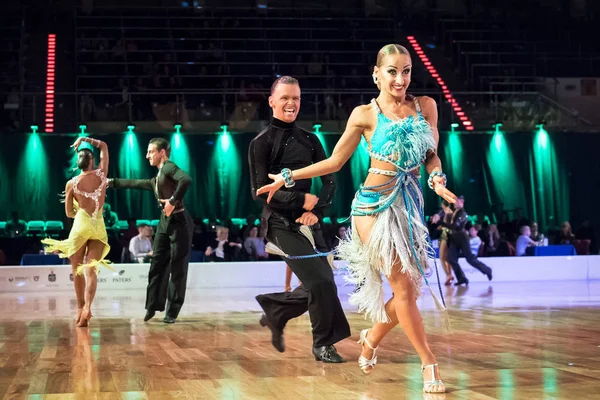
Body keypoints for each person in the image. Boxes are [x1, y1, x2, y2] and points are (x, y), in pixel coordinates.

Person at [256, 45, 456, 393]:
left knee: (408, 292)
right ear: (376, 74)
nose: (400, 78)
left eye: (406, 71)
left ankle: (370, 338)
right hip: (371, 208)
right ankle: (429, 363)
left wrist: (437, 179)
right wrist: (288, 177)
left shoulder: (426, 106)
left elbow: (431, 155)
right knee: (405, 290)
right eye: (392, 71)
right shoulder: (364, 114)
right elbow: (334, 162)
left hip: (408, 205)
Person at [249, 75, 351, 363]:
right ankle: (322, 345)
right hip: (279, 224)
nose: (291, 103)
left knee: (321, 282)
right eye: (284, 98)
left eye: (295, 98)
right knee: (320, 282)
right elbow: (258, 190)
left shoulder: (310, 139)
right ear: (272, 102)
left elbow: (330, 182)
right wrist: (299, 200)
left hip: (309, 222)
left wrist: (315, 212)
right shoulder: (261, 143)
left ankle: (275, 311)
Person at [109, 138, 193, 324]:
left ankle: (172, 311)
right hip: (165, 222)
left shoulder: (169, 167)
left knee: (177, 269)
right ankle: (152, 306)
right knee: (157, 265)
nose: (147, 155)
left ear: (162, 152)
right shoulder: (157, 178)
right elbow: (137, 183)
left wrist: (172, 201)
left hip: (180, 221)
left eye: (150, 151)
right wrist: (112, 182)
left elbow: (186, 180)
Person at [41, 137, 111, 327]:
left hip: (81, 225)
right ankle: (88, 307)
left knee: (77, 270)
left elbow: (69, 213)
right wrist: (85, 139)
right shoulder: (102, 175)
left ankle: (80, 309)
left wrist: (79, 208)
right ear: (92, 162)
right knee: (91, 270)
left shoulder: (71, 183)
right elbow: (104, 146)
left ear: (79, 163)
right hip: (98, 224)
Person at [443, 196, 493, 286]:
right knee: (451, 258)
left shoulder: (462, 213)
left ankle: (487, 270)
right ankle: (462, 278)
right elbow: (449, 224)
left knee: (470, 259)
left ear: (461, 202)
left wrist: (440, 223)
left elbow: (455, 226)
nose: (454, 203)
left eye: (456, 201)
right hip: (454, 237)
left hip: (462, 237)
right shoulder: (454, 212)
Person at [430, 200, 454, 285]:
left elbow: (447, 225)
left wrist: (441, 225)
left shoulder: (447, 212)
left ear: (443, 204)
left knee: (442, 257)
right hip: (449, 236)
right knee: (447, 258)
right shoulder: (449, 212)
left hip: (446, 236)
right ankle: (449, 276)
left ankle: (448, 275)